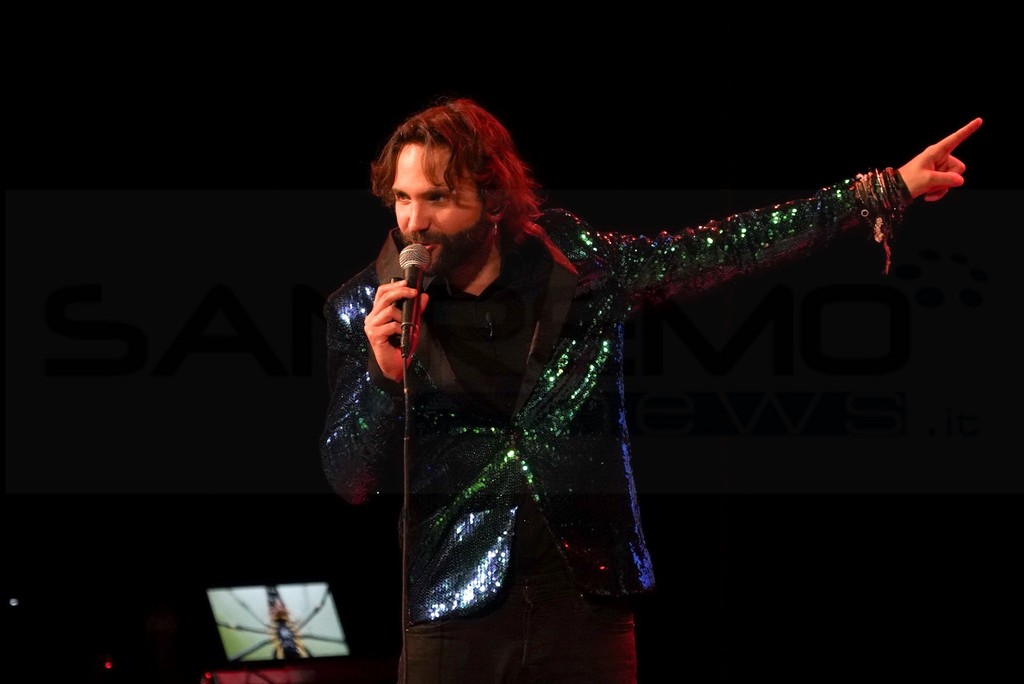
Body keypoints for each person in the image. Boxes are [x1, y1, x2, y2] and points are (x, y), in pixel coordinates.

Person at [319, 96, 981, 683]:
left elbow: (723, 247)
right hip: (453, 608)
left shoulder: (579, 265)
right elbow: (349, 478)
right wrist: (384, 379)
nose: (414, 222)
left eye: (437, 198)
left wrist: (881, 191)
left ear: (492, 198)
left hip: (586, 601)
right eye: (402, 198)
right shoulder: (365, 310)